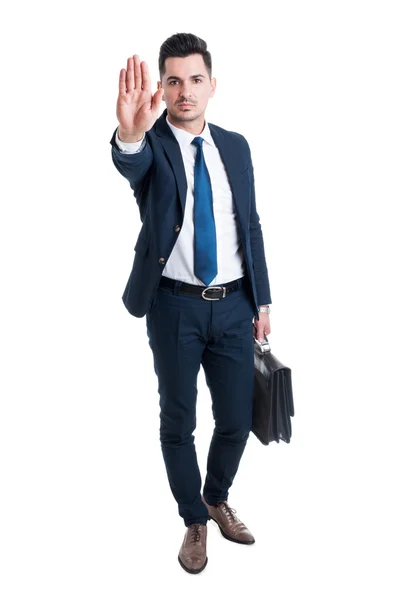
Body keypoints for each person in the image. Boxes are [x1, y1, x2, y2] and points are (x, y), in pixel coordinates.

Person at [109, 32, 272, 574]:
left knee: (235, 418)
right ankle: (193, 522)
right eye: (174, 81)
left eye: (195, 80)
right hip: (174, 308)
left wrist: (263, 298)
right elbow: (131, 163)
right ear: (162, 87)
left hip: (233, 307)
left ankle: (215, 496)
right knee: (178, 422)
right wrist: (129, 133)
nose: (185, 91)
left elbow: (249, 225)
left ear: (212, 85)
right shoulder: (153, 146)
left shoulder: (238, 146)